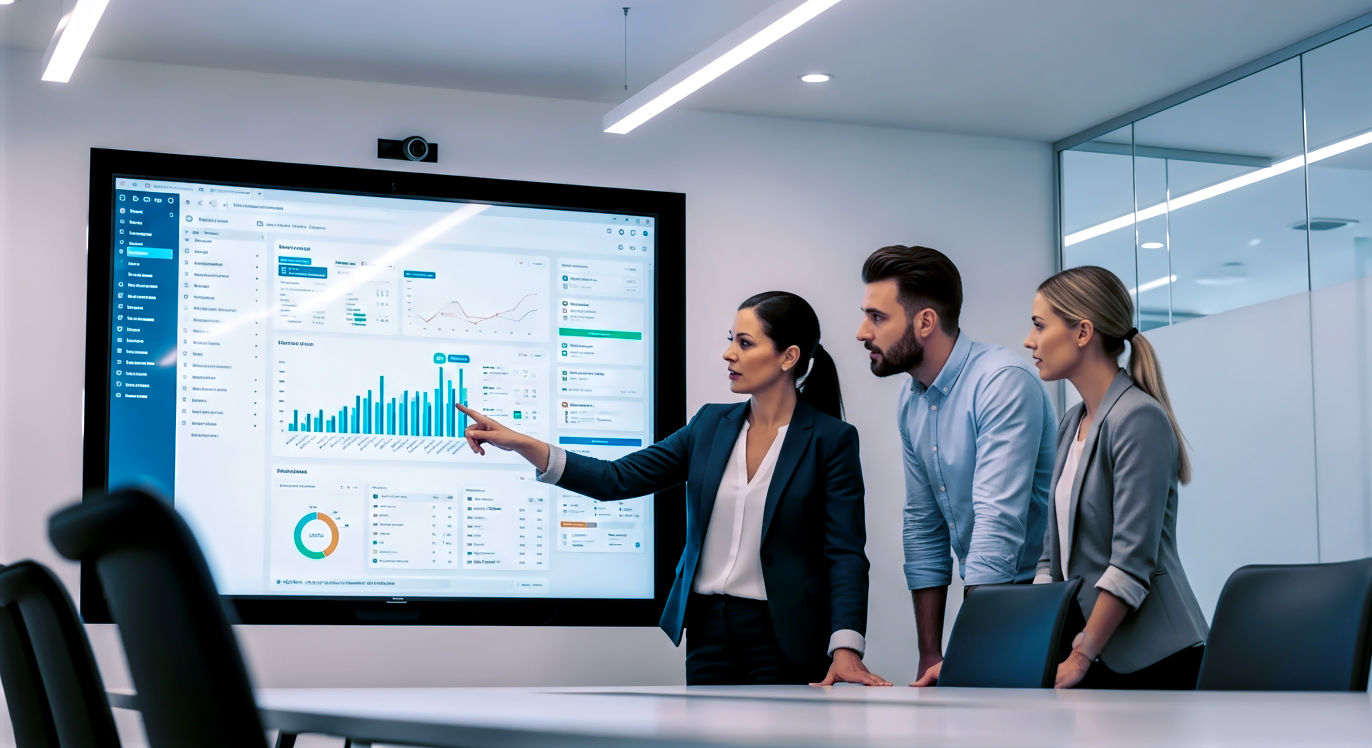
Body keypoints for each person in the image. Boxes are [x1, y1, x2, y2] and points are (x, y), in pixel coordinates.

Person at [457, 291, 890, 687]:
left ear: (788, 357)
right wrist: (523, 444)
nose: (729, 353)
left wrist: (846, 648)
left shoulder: (831, 440)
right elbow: (616, 478)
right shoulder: (709, 426)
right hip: (708, 633)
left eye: (745, 343)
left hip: (786, 636)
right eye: (731, 340)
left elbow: (845, 552)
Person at [856, 245, 1055, 687]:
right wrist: (930, 654)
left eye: (877, 317)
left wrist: (971, 650)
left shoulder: (1001, 381)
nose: (861, 332)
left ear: (925, 322)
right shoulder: (912, 399)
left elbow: (996, 524)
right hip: (990, 598)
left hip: (1033, 602)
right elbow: (923, 525)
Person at [1024, 265, 1208, 689]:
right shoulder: (1072, 422)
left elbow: (1131, 561)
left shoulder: (1138, 418)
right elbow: (1050, 557)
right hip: (1090, 649)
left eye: (1039, 325)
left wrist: (1081, 656)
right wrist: (1034, 642)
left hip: (1153, 657)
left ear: (1082, 332)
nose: (1029, 340)